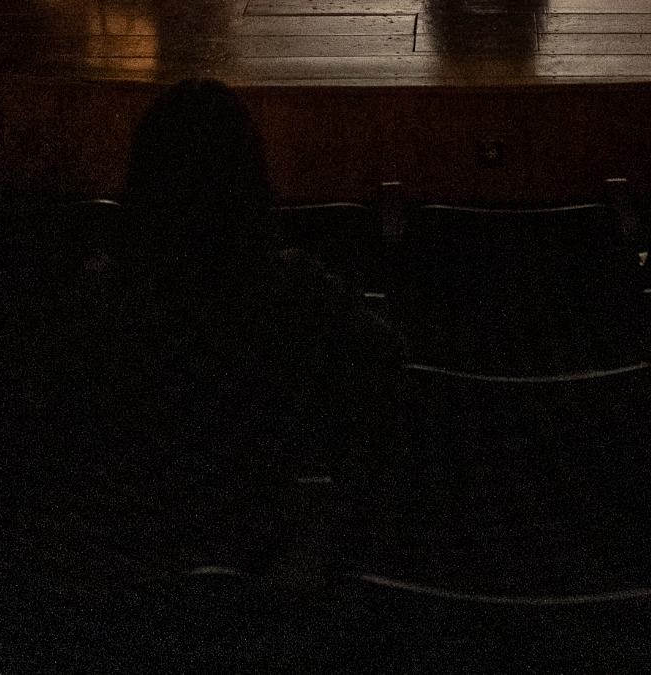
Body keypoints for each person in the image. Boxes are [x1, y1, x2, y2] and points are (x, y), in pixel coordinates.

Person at [45, 80, 401, 579]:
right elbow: (384, 362)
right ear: (250, 178)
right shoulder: (293, 290)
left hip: (120, 568)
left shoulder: (99, 297)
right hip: (259, 553)